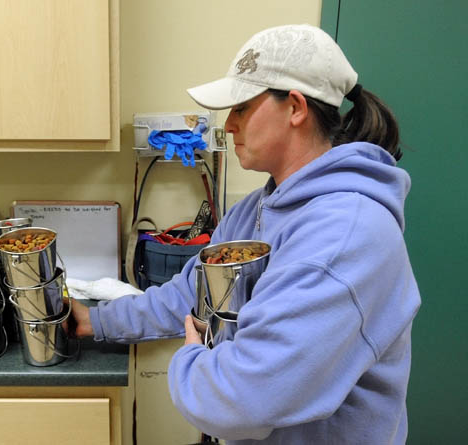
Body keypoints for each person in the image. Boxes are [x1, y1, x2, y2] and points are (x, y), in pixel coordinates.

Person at [67, 24, 420, 444]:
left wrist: (192, 360)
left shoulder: (345, 237)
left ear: (295, 108)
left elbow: (240, 399)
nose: (229, 125)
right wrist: (95, 321)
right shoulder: (256, 209)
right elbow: (189, 293)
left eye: (241, 108)